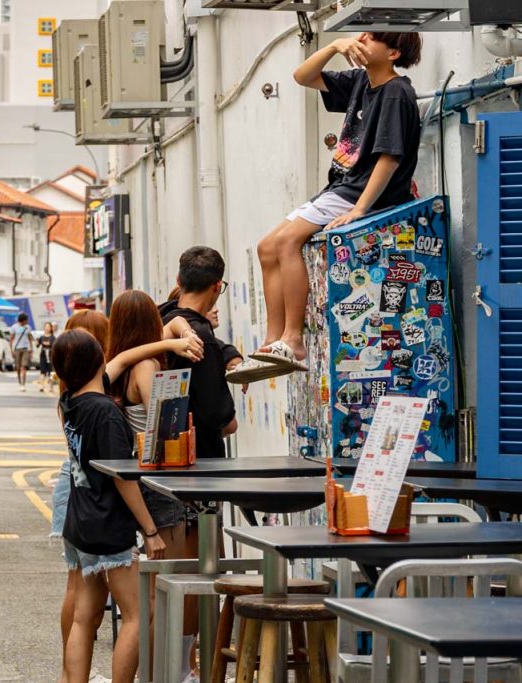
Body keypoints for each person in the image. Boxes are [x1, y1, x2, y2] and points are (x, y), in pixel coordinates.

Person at [228, 31, 422, 383]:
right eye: (360, 35)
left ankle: (293, 338)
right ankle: (273, 342)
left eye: (372, 38)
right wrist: (334, 46)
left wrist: (360, 209)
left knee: (287, 243)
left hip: (357, 193)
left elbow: (389, 159)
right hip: (341, 187)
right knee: (267, 246)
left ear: (393, 52)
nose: (361, 40)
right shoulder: (362, 80)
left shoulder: (395, 93)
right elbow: (302, 76)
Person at [51, 310, 203, 683]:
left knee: (85, 617)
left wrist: (170, 339)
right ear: (94, 363)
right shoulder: (105, 413)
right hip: (107, 524)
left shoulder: (71, 401)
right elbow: (124, 479)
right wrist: (150, 530)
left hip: (79, 520)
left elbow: (122, 359)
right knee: (139, 613)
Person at [108, 289, 209, 680]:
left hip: (138, 484)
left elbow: (176, 321)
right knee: (167, 589)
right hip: (159, 484)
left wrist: (180, 330)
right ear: (150, 324)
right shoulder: (147, 367)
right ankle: (163, 672)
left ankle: (165, 670)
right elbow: (161, 425)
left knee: (159, 589)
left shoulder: (117, 365)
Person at [162, 247, 238, 460]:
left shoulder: (161, 319)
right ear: (217, 286)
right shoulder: (201, 339)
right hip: (199, 463)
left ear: (178, 280)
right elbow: (221, 418)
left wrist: (227, 351)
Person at [9, 312, 33, 392]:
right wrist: (11, 350)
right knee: (18, 367)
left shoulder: (28, 327)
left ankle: (23, 384)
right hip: (17, 349)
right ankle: (19, 382)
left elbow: (30, 338)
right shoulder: (14, 327)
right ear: (22, 320)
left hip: (25, 349)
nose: (27, 321)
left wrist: (31, 349)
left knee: (24, 367)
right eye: (26, 320)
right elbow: (11, 339)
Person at [37, 322, 56, 393]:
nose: (47, 328)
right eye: (46, 327)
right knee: (42, 371)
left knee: (52, 372)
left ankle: (51, 387)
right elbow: (38, 344)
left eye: (48, 327)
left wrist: (46, 344)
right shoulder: (41, 337)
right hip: (43, 355)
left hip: (51, 355)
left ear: (51, 328)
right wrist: (37, 342)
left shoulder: (53, 337)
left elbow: (53, 345)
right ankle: (41, 386)